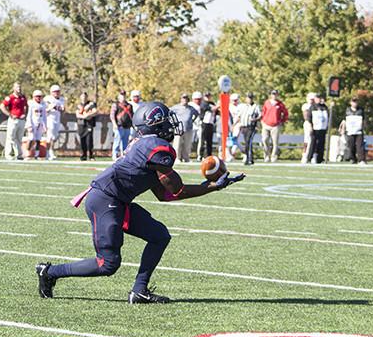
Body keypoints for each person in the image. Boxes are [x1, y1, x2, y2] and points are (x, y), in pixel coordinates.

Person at [35, 101, 246, 303]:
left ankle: (139, 291)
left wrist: (210, 187)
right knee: (107, 264)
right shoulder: (157, 147)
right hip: (105, 200)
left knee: (159, 236)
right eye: (167, 120)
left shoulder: (146, 144)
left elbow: (163, 194)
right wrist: (212, 186)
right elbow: (176, 189)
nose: (171, 125)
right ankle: (49, 272)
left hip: (118, 201)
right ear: (155, 123)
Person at [1, 82, 27, 160]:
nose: (19, 89)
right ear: (14, 88)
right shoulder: (10, 97)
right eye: (17, 87)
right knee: (10, 137)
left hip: (21, 120)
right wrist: (10, 115)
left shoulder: (23, 97)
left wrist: (25, 114)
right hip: (13, 120)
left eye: (20, 87)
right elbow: (2, 106)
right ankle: (8, 154)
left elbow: (26, 107)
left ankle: (19, 154)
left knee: (19, 138)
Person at [261, 89, 289, 163]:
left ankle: (274, 156)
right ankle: (266, 155)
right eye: (273, 94)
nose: (274, 95)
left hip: (275, 125)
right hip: (266, 124)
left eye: (275, 94)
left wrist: (282, 121)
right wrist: (263, 121)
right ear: (271, 95)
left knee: (275, 142)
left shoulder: (280, 104)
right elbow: (263, 112)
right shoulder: (267, 103)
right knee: (265, 140)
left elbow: (285, 113)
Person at [171, 93, 198, 162]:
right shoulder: (176, 107)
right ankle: (177, 158)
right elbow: (169, 113)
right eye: (183, 98)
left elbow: (196, 114)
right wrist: (173, 123)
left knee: (187, 145)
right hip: (179, 129)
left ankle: (186, 158)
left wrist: (192, 120)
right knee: (177, 144)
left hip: (188, 128)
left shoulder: (191, 108)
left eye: (186, 98)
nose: (185, 100)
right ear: (181, 99)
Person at [238, 93, 261, 165]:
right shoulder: (243, 106)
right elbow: (239, 116)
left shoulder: (255, 106)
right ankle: (250, 158)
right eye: (248, 98)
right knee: (246, 142)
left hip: (251, 127)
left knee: (248, 142)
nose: (249, 99)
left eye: (250, 98)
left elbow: (260, 115)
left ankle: (248, 158)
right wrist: (235, 125)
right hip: (244, 126)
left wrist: (254, 119)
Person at [110, 90, 133, 160]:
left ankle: (124, 155)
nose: (123, 96)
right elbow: (112, 115)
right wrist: (114, 123)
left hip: (127, 126)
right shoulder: (116, 104)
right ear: (119, 96)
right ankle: (115, 154)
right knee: (117, 141)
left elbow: (132, 116)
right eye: (121, 95)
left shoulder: (129, 105)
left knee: (125, 142)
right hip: (119, 126)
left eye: (124, 95)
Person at [44, 84, 65, 160]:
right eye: (54, 92)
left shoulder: (62, 99)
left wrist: (62, 109)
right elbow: (44, 110)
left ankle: (50, 152)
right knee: (50, 137)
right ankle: (48, 153)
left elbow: (63, 110)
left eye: (57, 91)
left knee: (54, 137)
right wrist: (50, 108)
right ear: (51, 92)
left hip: (57, 120)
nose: (56, 93)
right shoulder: (47, 99)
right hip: (50, 119)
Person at [26, 90, 47, 160]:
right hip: (33, 124)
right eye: (37, 96)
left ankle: (37, 155)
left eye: (40, 96)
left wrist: (45, 126)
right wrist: (29, 125)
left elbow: (44, 116)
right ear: (33, 97)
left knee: (38, 140)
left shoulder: (43, 105)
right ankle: (27, 153)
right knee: (31, 139)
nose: (38, 98)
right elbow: (29, 116)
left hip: (40, 124)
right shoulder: (31, 104)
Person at [307, 95, 329, 164]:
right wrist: (310, 127)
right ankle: (309, 157)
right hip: (315, 128)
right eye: (317, 98)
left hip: (322, 128)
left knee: (321, 144)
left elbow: (328, 116)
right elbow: (309, 118)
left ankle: (320, 158)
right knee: (313, 143)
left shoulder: (324, 107)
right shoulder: (312, 107)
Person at [194, 91, 215, 160]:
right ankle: (201, 155)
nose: (208, 98)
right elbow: (212, 109)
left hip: (211, 123)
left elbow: (217, 112)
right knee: (203, 140)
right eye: (206, 96)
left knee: (209, 141)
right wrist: (220, 104)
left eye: (208, 96)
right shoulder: (203, 103)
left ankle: (208, 155)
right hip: (204, 123)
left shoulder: (212, 103)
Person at [76, 92, 97, 161]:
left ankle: (91, 155)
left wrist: (88, 115)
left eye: (85, 96)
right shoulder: (79, 105)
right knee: (82, 140)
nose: (84, 98)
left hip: (89, 124)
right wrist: (84, 116)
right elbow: (77, 115)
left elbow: (95, 112)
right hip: (81, 124)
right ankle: (83, 155)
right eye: (82, 96)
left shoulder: (91, 104)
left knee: (89, 140)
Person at [344, 97, 366, 165]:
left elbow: (364, 120)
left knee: (360, 146)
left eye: (356, 102)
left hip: (359, 131)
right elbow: (344, 120)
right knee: (351, 146)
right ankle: (353, 159)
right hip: (350, 131)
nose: (354, 103)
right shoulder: (347, 110)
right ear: (351, 102)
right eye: (353, 102)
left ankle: (361, 160)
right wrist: (343, 129)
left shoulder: (361, 110)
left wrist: (364, 127)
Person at [301, 93, 316, 164]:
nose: (312, 101)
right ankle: (305, 155)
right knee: (307, 140)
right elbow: (306, 116)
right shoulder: (306, 106)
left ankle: (313, 155)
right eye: (311, 99)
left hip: (316, 124)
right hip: (308, 123)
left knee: (315, 141)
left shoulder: (316, 106)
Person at [228, 93, 242, 161]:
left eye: (236, 100)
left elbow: (239, 117)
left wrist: (234, 125)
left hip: (238, 124)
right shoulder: (229, 106)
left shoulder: (240, 106)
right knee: (231, 140)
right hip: (230, 124)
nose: (235, 102)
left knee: (235, 138)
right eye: (233, 100)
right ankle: (244, 151)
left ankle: (232, 153)